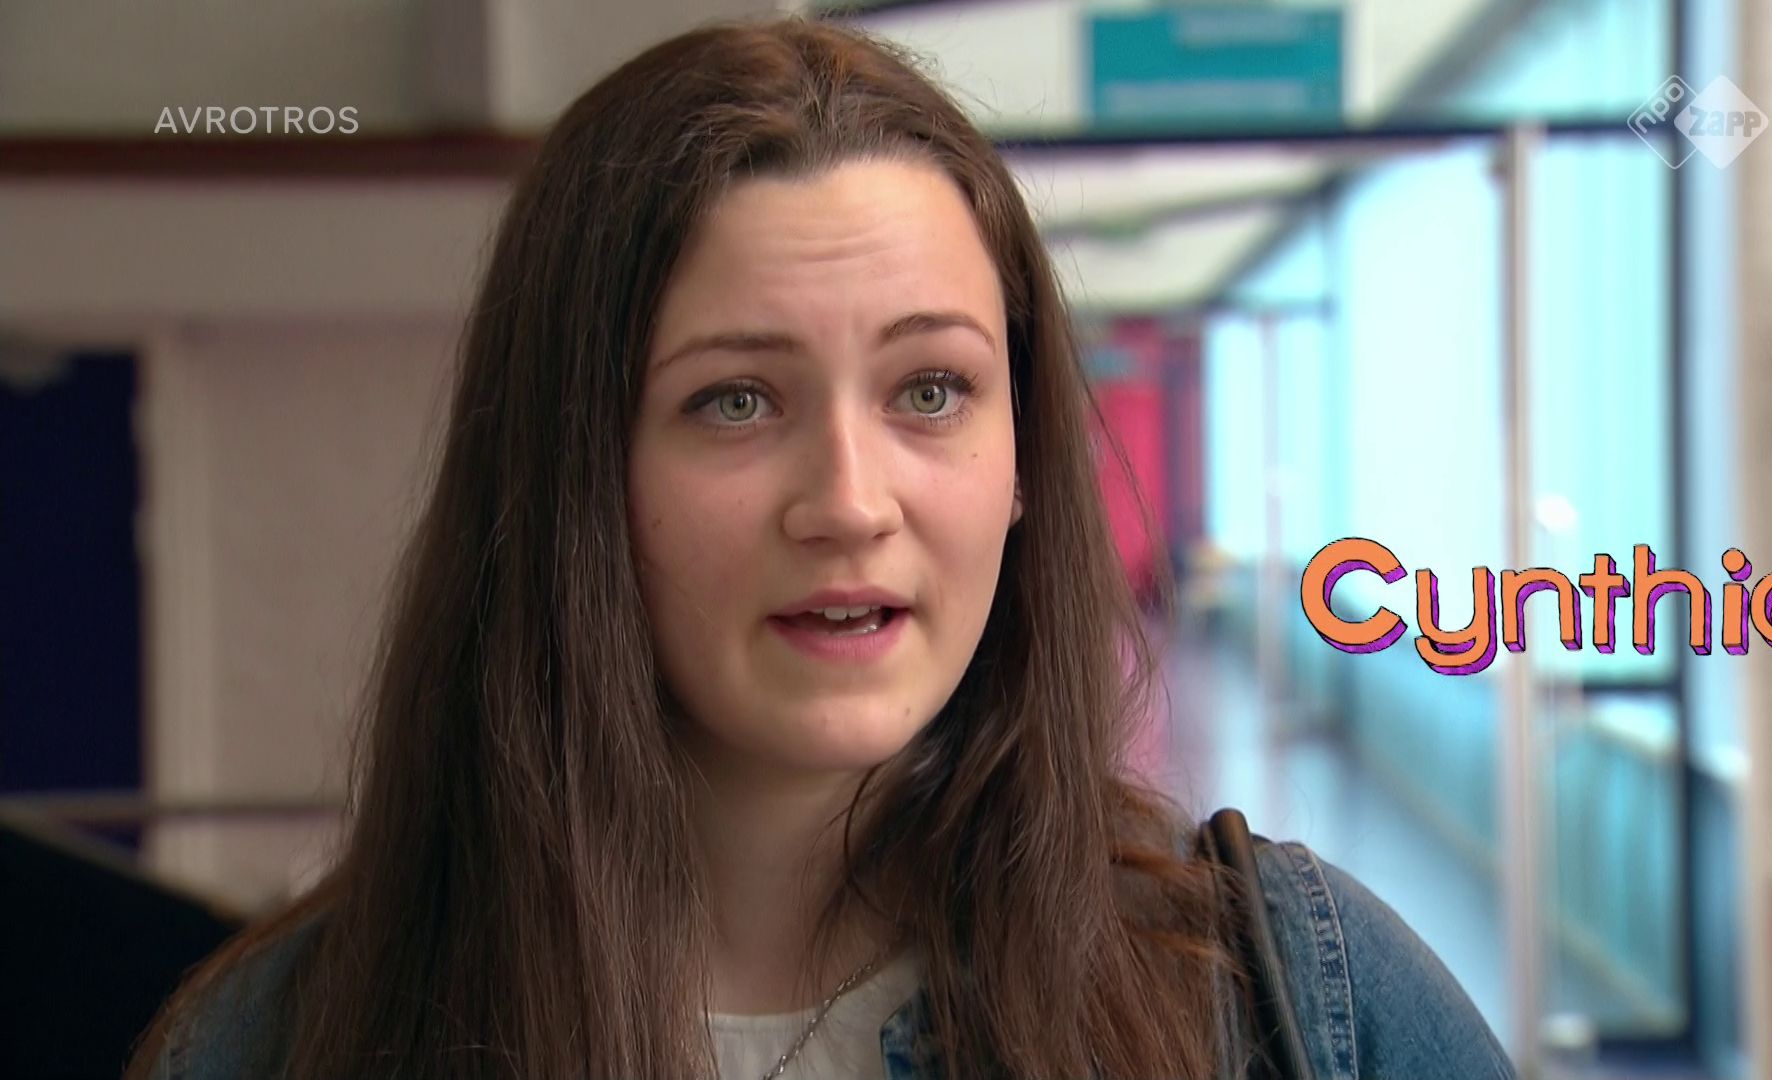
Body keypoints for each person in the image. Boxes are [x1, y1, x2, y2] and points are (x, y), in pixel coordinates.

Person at [128, 18, 1514, 1080]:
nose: (850, 502)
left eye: (931, 390)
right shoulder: (282, 1042)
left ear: (1023, 461)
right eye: (736, 401)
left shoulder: (1289, 1007)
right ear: (571, 475)